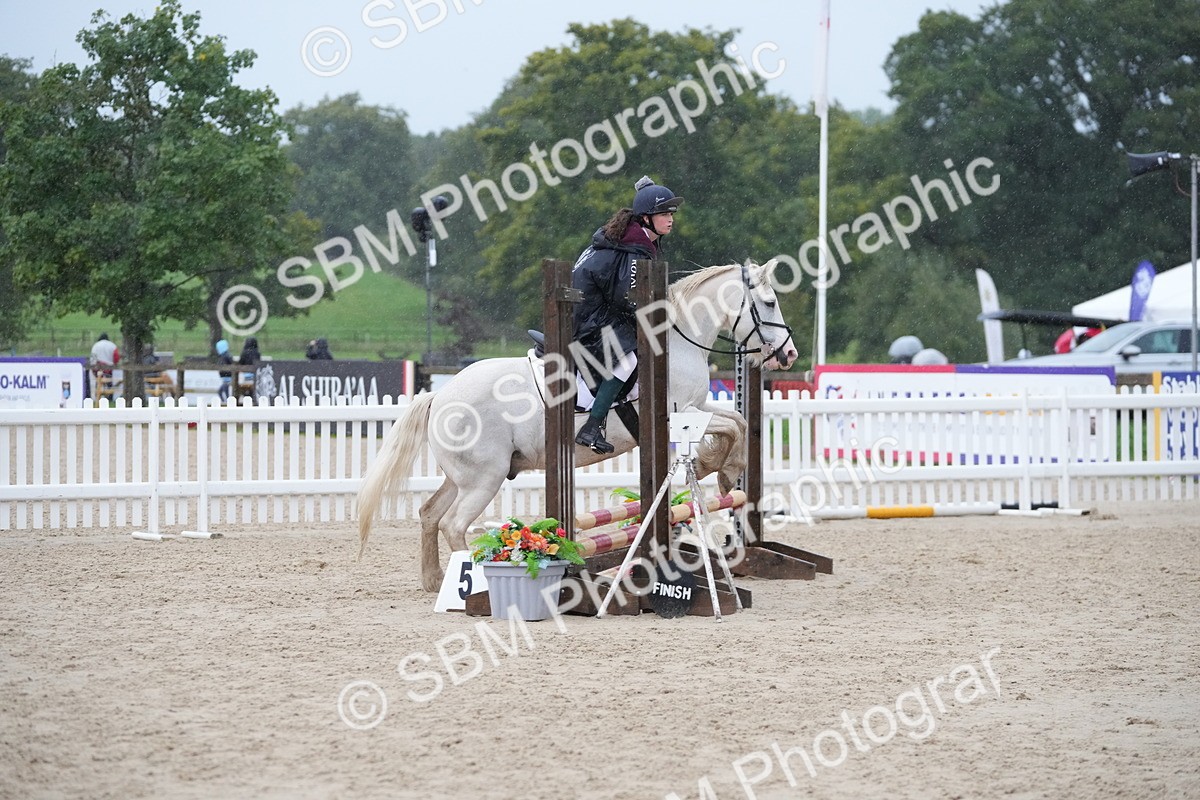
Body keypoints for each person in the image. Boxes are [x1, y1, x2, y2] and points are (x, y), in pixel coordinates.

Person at [571, 175, 683, 454]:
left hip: (597, 312)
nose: (671, 219)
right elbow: (630, 300)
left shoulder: (635, 240)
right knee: (629, 357)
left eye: (671, 213)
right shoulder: (634, 250)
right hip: (589, 319)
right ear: (646, 217)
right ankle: (592, 425)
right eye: (664, 214)